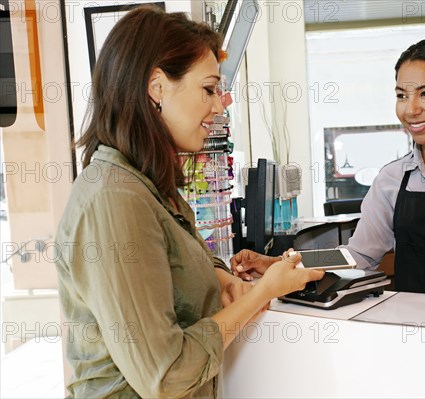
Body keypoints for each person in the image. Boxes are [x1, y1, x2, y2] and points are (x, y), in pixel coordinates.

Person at [55, 6, 323, 398]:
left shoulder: (148, 186)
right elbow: (166, 375)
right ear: (157, 88)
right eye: (209, 89)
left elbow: (172, 260)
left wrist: (221, 279)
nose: (219, 106)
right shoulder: (115, 199)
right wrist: (262, 293)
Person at [234, 38, 425, 306]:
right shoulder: (392, 178)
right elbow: (357, 254)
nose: (410, 109)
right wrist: (284, 263)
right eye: (401, 95)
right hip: (411, 330)